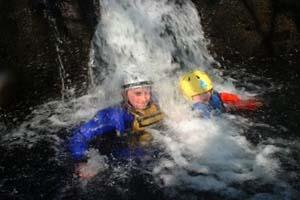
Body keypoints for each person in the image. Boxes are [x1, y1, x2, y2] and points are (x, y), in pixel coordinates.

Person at [70, 73, 164, 179]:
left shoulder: (157, 104)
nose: (144, 99)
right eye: (138, 94)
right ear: (124, 94)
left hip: (150, 151)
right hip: (120, 153)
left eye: (147, 92)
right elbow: (80, 135)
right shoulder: (113, 116)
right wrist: (81, 161)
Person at [179, 70, 262, 118]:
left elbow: (237, 101)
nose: (203, 97)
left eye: (205, 92)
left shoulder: (218, 97)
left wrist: (241, 104)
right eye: (198, 95)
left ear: (211, 90)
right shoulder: (194, 110)